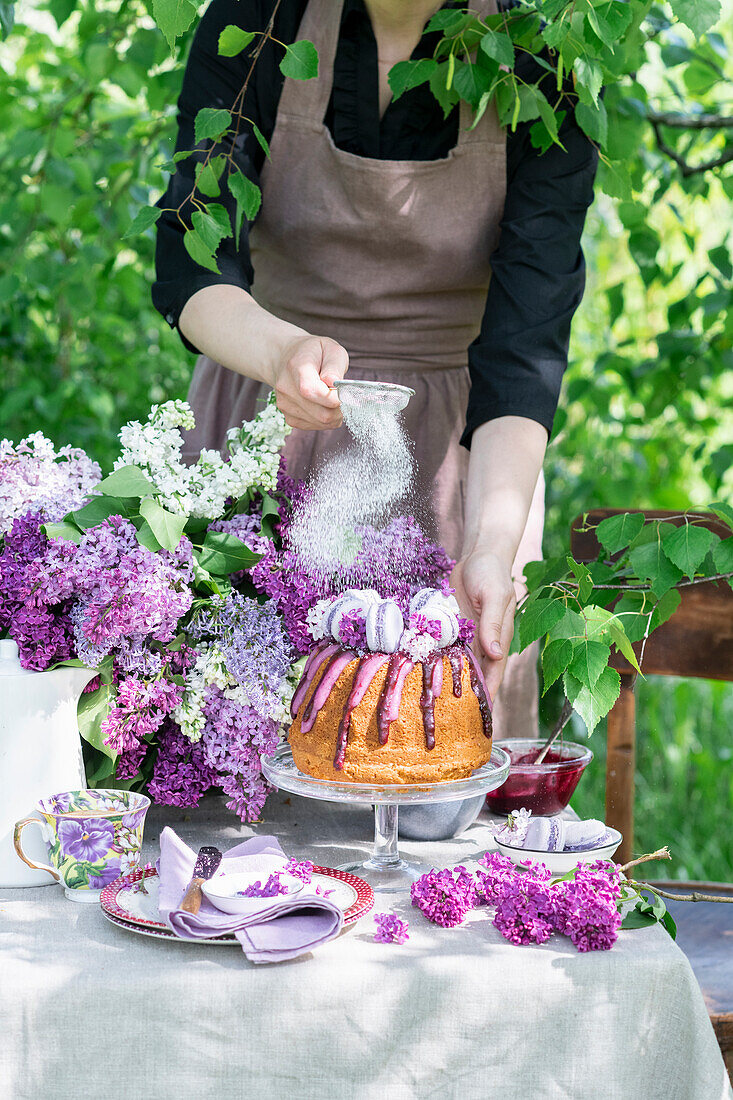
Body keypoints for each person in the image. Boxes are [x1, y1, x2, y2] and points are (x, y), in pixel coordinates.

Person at [153, 0, 598, 739]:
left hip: (465, 460)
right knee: (233, 749)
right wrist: (281, 354)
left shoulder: (543, 54)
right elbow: (190, 269)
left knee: (437, 750)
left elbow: (524, 348)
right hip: (269, 420)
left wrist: (490, 541)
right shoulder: (258, 19)